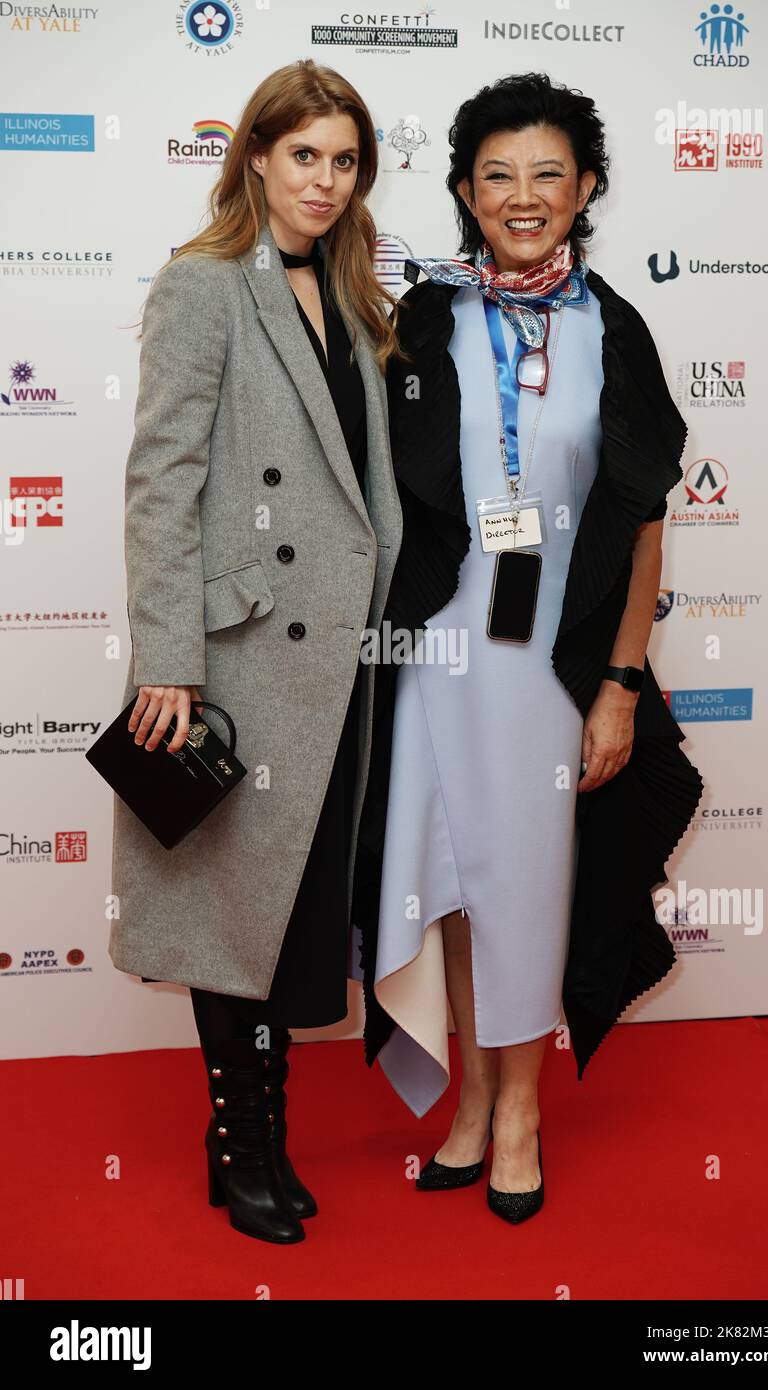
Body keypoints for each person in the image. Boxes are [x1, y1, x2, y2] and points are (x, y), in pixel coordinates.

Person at [352, 73, 704, 1224]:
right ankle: (464, 1099)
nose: (522, 195)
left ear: (587, 186)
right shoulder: (424, 318)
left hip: (554, 660)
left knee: (529, 883)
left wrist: (619, 682)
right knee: (450, 877)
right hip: (438, 649)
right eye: (497, 174)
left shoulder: (618, 327)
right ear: (462, 189)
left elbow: (645, 516)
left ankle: (520, 1111)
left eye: (548, 172)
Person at [109, 59, 402, 1245]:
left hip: (338, 661)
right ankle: (244, 1148)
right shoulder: (204, 285)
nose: (324, 181)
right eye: (303, 156)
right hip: (238, 659)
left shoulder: (353, 291)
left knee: (291, 915)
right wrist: (168, 659)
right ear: (256, 159)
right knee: (238, 914)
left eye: (344, 160)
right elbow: (159, 483)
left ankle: (263, 1132)